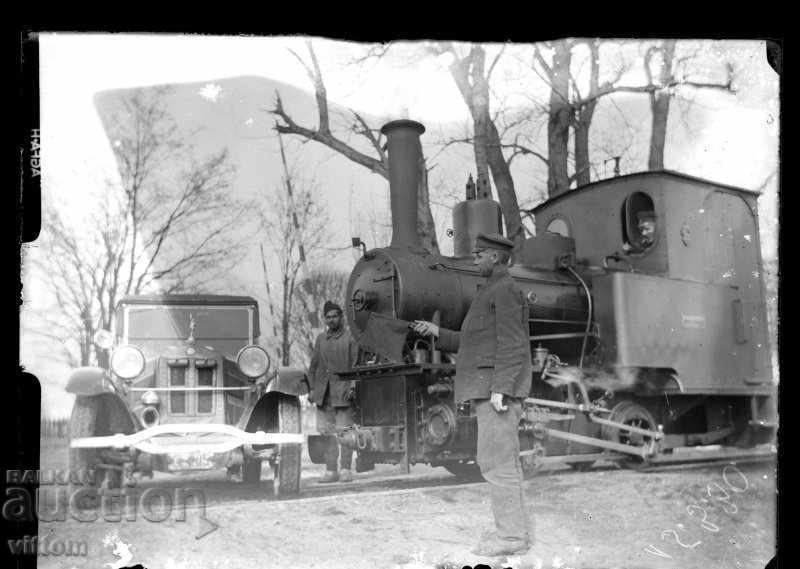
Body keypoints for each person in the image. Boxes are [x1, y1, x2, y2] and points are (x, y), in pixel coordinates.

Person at [413, 232, 533, 557]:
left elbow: (513, 343)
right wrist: (437, 332)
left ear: (495, 257)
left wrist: (501, 388)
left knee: (497, 463)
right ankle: (513, 532)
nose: (475, 258)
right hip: (490, 390)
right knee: (498, 462)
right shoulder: (490, 291)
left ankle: (511, 538)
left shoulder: (504, 290)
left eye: (479, 254)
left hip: (496, 392)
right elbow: (471, 342)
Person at [308, 300, 359, 483]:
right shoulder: (321, 339)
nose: (331, 319)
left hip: (343, 393)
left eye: (335, 316)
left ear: (341, 317)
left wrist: (353, 386)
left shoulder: (350, 337)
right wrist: (312, 388)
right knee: (327, 434)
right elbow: (313, 366)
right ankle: (331, 471)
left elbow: (357, 364)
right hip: (324, 395)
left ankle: (345, 469)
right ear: (325, 319)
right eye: (328, 317)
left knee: (345, 433)